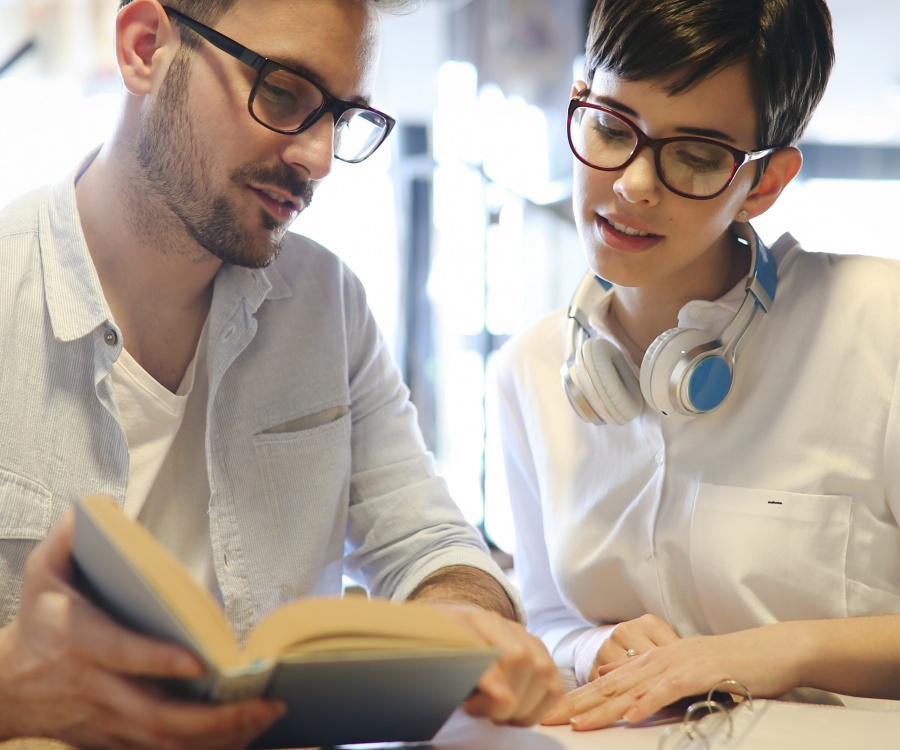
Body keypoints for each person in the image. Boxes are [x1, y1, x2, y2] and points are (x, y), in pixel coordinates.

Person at [0, 0, 563, 747]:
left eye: (342, 116)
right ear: (144, 49)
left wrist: (465, 620)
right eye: (284, 91)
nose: (320, 157)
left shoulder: (328, 306)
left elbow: (428, 541)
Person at [491, 0, 900, 732]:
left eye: (697, 155)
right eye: (612, 128)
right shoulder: (528, 370)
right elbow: (548, 615)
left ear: (766, 182)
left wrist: (779, 651)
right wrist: (593, 647)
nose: (634, 184)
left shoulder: (880, 324)